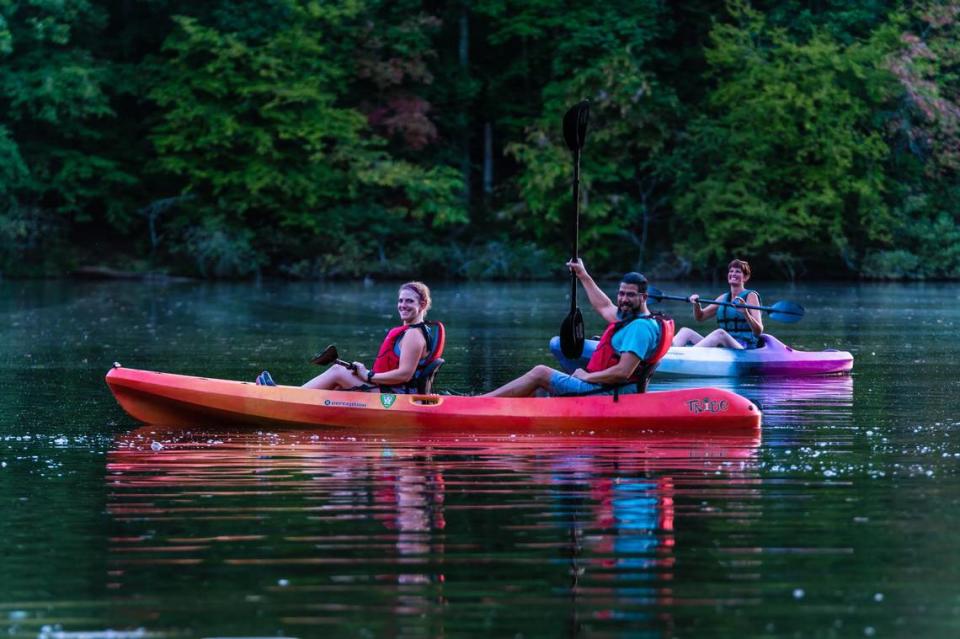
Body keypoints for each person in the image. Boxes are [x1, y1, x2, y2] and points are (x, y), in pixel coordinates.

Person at [483, 259, 670, 397]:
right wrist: (583, 274)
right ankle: (514, 410)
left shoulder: (639, 328)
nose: (623, 299)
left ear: (644, 297)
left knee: (540, 372)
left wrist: (588, 377)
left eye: (630, 295)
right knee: (540, 385)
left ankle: (481, 402)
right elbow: (604, 306)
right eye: (621, 294)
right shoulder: (637, 318)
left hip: (611, 392)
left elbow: (622, 372)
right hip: (615, 388)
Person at [256, 281, 445, 393]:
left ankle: (286, 399)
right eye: (400, 300)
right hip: (389, 391)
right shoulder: (415, 331)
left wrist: (369, 375)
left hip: (393, 398)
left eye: (409, 301)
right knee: (339, 381)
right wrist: (361, 372)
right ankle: (295, 398)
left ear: (423, 304)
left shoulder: (414, 334)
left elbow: (405, 374)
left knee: (337, 372)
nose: (403, 305)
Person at [671, 258, 763, 349]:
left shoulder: (750, 296)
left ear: (745, 277)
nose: (733, 274)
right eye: (731, 271)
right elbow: (700, 317)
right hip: (724, 346)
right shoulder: (723, 298)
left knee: (720, 333)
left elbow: (759, 331)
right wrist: (696, 304)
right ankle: (668, 354)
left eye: (738, 271)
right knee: (685, 332)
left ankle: (687, 356)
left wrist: (745, 312)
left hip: (744, 347)